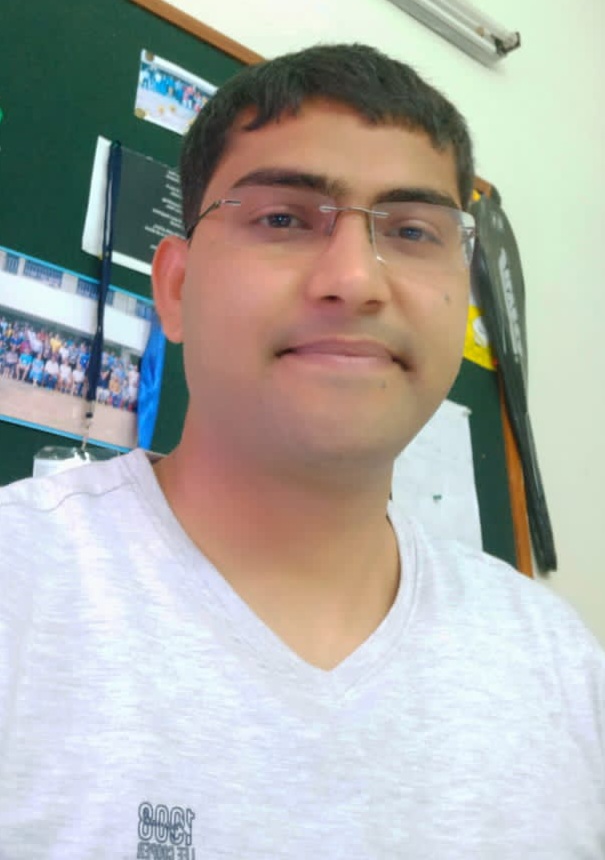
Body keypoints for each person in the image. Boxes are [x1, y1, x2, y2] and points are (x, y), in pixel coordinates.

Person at [0, 43, 603, 859]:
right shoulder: (21, 590)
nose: (354, 279)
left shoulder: (560, 668)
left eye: (412, 230)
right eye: (282, 219)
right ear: (175, 286)